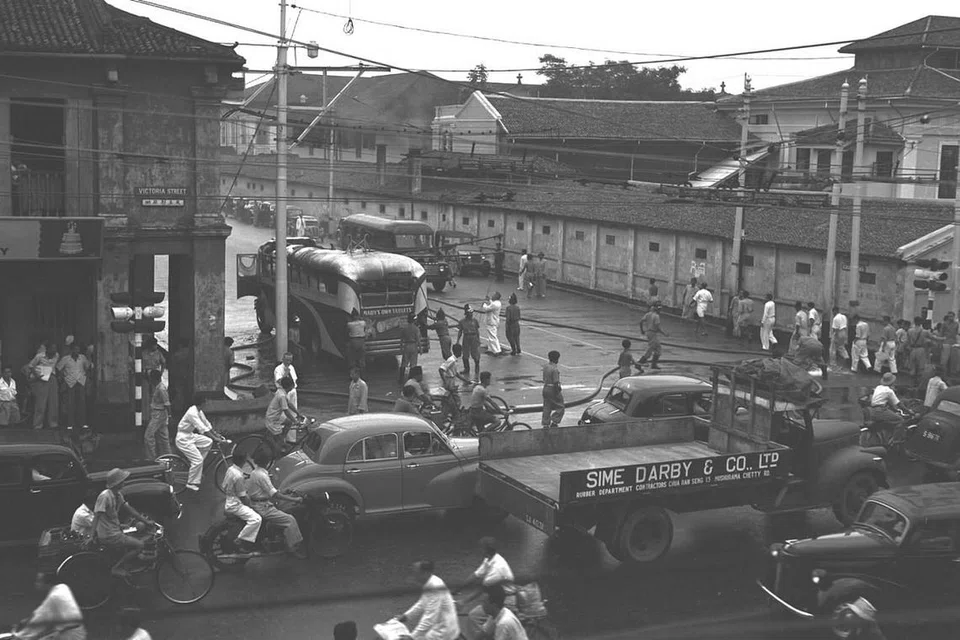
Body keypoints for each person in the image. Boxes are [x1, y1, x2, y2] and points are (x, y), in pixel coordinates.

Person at [91, 468, 155, 578]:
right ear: (117, 483)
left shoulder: (118, 495)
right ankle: (117, 567)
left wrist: (146, 521)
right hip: (109, 534)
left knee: (133, 534)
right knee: (140, 545)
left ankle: (129, 563)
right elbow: (97, 516)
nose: (124, 483)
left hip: (114, 529)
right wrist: (91, 535)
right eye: (122, 481)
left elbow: (129, 509)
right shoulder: (105, 496)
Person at [247, 449, 307, 558]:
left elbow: (268, 491)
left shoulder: (255, 472)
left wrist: (284, 492)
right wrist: (294, 499)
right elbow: (274, 495)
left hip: (257, 503)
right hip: (263, 507)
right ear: (267, 461)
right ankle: (293, 548)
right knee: (290, 520)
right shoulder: (262, 475)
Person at [462, 537, 516, 638]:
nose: (478, 550)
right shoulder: (489, 559)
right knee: (475, 617)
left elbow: (482, 589)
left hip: (505, 601)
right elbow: (476, 575)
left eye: (480, 548)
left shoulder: (497, 568)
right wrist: (458, 589)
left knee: (474, 617)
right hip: (494, 597)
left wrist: (463, 602)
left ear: (485, 550)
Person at [395, 561, 460, 640]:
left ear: (425, 573)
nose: (413, 575)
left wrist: (412, 637)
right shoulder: (430, 583)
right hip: (439, 626)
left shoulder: (435, 587)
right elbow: (422, 603)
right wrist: (406, 616)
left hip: (443, 631)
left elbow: (430, 617)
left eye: (416, 573)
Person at [15, 573, 86, 640]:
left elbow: (40, 618)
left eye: (39, 581)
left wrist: (20, 636)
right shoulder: (63, 587)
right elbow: (42, 611)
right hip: (76, 631)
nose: (36, 584)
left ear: (47, 583)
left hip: (70, 636)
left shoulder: (54, 597)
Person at [176, 395, 222, 491]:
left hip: (189, 435)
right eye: (206, 402)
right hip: (183, 438)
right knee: (198, 460)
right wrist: (216, 439)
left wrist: (216, 435)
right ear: (202, 403)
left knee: (208, 441)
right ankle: (191, 482)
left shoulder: (199, 411)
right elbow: (202, 429)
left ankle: (196, 466)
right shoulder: (192, 412)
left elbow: (207, 424)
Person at [221, 450, 261, 553]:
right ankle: (240, 540)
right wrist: (252, 505)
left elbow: (224, 486)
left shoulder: (230, 469)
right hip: (236, 504)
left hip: (229, 499)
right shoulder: (238, 476)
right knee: (257, 519)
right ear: (243, 461)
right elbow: (243, 497)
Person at [56, 342, 92, 432]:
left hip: (80, 381)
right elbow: (58, 368)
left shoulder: (82, 357)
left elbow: (87, 367)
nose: (77, 351)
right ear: (71, 350)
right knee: (70, 403)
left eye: (78, 349)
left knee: (82, 403)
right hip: (70, 382)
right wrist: (62, 378)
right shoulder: (66, 359)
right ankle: (70, 424)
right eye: (75, 349)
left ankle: (82, 423)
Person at [24, 341, 59, 429]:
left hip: (52, 377)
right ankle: (38, 424)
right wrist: (37, 376)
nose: (54, 350)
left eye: (55, 348)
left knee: (53, 402)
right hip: (42, 379)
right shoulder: (39, 356)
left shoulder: (57, 355)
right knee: (41, 402)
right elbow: (31, 366)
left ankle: (53, 423)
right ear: (47, 349)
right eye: (52, 348)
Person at [265, 377, 303, 459]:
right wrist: (295, 421)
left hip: (276, 416)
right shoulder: (281, 395)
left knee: (289, 422)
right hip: (273, 419)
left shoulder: (281, 391)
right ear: (289, 386)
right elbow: (286, 411)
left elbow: (289, 404)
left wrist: (298, 413)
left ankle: (282, 438)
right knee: (279, 442)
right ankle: (277, 457)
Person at [868, 372, 908, 446]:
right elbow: (899, 404)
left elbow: (889, 402)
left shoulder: (878, 387)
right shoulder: (889, 391)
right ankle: (895, 442)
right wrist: (908, 411)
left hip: (872, 410)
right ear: (892, 382)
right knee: (900, 421)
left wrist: (895, 410)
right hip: (880, 411)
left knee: (891, 419)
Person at [144, 370, 171, 460]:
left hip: (159, 414)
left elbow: (167, 403)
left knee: (148, 436)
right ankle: (169, 457)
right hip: (159, 413)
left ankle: (151, 457)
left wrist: (169, 415)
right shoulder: (158, 387)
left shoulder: (161, 389)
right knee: (164, 437)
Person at [639, 301, 668, 370]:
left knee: (658, 349)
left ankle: (654, 364)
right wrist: (664, 333)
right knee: (651, 349)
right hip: (653, 333)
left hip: (649, 333)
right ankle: (640, 362)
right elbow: (657, 327)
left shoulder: (648, 314)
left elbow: (641, 322)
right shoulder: (656, 316)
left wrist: (642, 330)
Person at [457, 305, 482, 381]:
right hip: (466, 337)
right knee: (465, 354)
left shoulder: (475, 321)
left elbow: (477, 331)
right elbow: (460, 331)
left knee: (476, 354)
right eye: (469, 313)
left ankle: (477, 368)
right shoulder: (462, 321)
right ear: (466, 313)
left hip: (474, 338)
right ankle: (466, 369)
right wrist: (458, 340)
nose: (471, 314)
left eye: (472, 313)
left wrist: (478, 340)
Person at [542, 350, 565, 429]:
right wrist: (558, 390)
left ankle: (545, 423)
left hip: (545, 387)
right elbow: (556, 382)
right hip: (552, 388)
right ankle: (555, 421)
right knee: (560, 406)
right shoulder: (555, 369)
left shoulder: (546, 366)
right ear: (557, 359)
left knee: (547, 406)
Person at [399, 313, 422, 384]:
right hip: (413, 346)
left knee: (404, 363)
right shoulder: (416, 328)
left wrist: (401, 347)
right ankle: (410, 379)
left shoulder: (404, 328)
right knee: (413, 363)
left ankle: (401, 379)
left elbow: (402, 339)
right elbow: (418, 339)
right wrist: (420, 348)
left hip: (406, 345)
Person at [345, 310, 367, 375]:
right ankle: (363, 375)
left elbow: (346, 332)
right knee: (362, 360)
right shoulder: (363, 323)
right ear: (358, 316)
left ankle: (353, 375)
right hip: (361, 341)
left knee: (352, 360)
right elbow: (364, 329)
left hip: (353, 341)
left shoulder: (349, 324)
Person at [830, 306, 850, 371]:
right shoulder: (844, 317)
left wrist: (833, 337)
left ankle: (833, 365)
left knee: (832, 349)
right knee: (842, 347)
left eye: (833, 312)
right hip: (844, 333)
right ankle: (846, 358)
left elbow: (834, 329)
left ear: (834, 311)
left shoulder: (835, 318)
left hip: (838, 333)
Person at [941, 311, 960, 375]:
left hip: (953, 343)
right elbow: (941, 334)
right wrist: (941, 343)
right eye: (949, 316)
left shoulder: (956, 324)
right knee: (944, 359)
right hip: (946, 342)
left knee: (953, 359)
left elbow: (957, 333)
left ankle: (952, 372)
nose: (950, 318)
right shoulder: (944, 324)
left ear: (954, 317)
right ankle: (944, 372)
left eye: (951, 316)